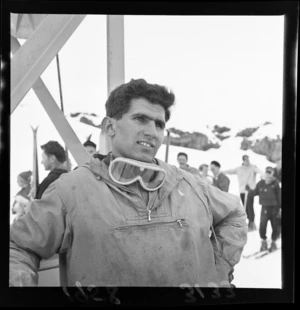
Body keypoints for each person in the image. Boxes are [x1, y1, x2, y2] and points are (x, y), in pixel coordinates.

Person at [10, 78, 247, 287]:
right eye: (140, 119)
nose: (152, 132)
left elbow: (235, 214)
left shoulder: (190, 185)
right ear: (110, 126)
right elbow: (18, 247)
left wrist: (217, 271)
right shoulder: (69, 190)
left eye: (159, 124)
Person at [222, 155, 264, 231]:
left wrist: (262, 174)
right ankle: (251, 223)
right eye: (245, 160)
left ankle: (251, 224)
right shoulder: (239, 169)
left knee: (249, 206)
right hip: (242, 191)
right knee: (246, 208)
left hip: (250, 191)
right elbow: (230, 171)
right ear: (243, 161)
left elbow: (259, 171)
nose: (247, 161)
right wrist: (221, 172)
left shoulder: (253, 167)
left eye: (248, 159)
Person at [246, 167, 281, 252]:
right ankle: (264, 241)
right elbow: (254, 193)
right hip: (264, 208)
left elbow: (280, 197)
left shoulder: (275, 183)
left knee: (275, 226)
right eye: (267, 172)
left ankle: (273, 242)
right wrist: (249, 190)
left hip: (274, 208)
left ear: (272, 174)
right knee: (262, 225)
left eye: (270, 172)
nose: (268, 174)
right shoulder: (261, 183)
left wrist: (280, 209)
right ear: (265, 173)